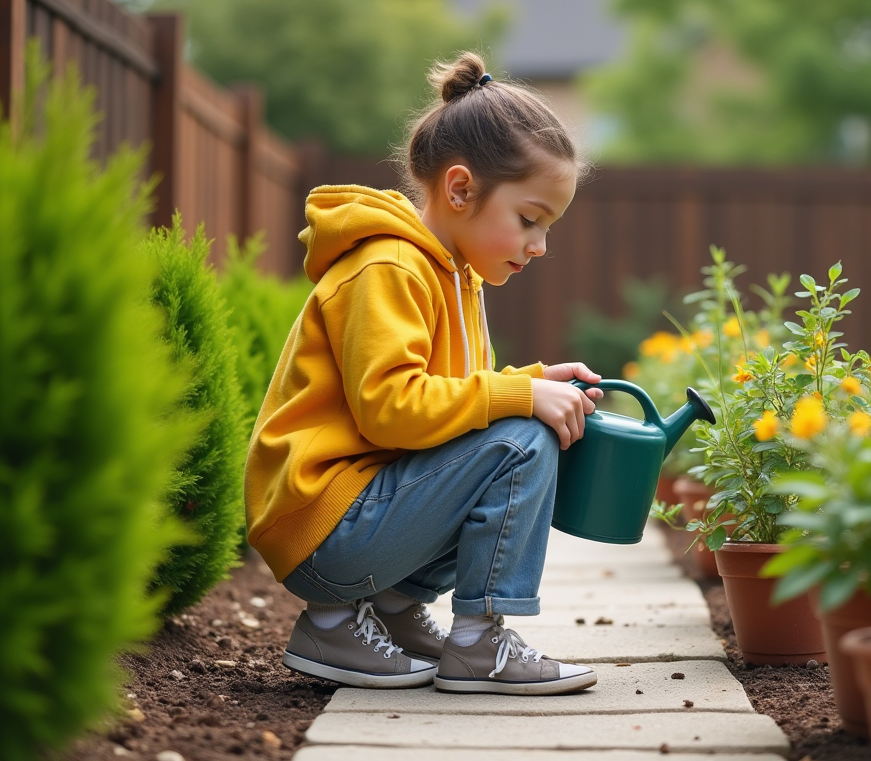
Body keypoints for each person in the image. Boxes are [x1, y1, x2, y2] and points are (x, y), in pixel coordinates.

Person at [243, 52, 604, 695]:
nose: (539, 245)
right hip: (325, 525)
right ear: (461, 189)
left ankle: (389, 612)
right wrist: (520, 396)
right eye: (529, 220)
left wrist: (530, 379)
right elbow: (392, 408)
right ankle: (474, 642)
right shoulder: (390, 266)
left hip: (352, 519)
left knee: (512, 431)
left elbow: (450, 407)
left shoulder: (451, 270)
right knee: (522, 442)